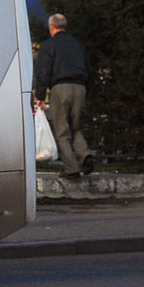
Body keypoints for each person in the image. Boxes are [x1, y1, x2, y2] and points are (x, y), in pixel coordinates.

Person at [33, 13, 94, 178]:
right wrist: (86, 90)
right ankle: (85, 154)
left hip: (60, 88)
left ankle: (71, 169)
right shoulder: (77, 44)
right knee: (75, 126)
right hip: (80, 88)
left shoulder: (48, 45)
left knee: (61, 131)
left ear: (51, 26)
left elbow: (43, 71)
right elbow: (89, 69)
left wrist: (39, 95)